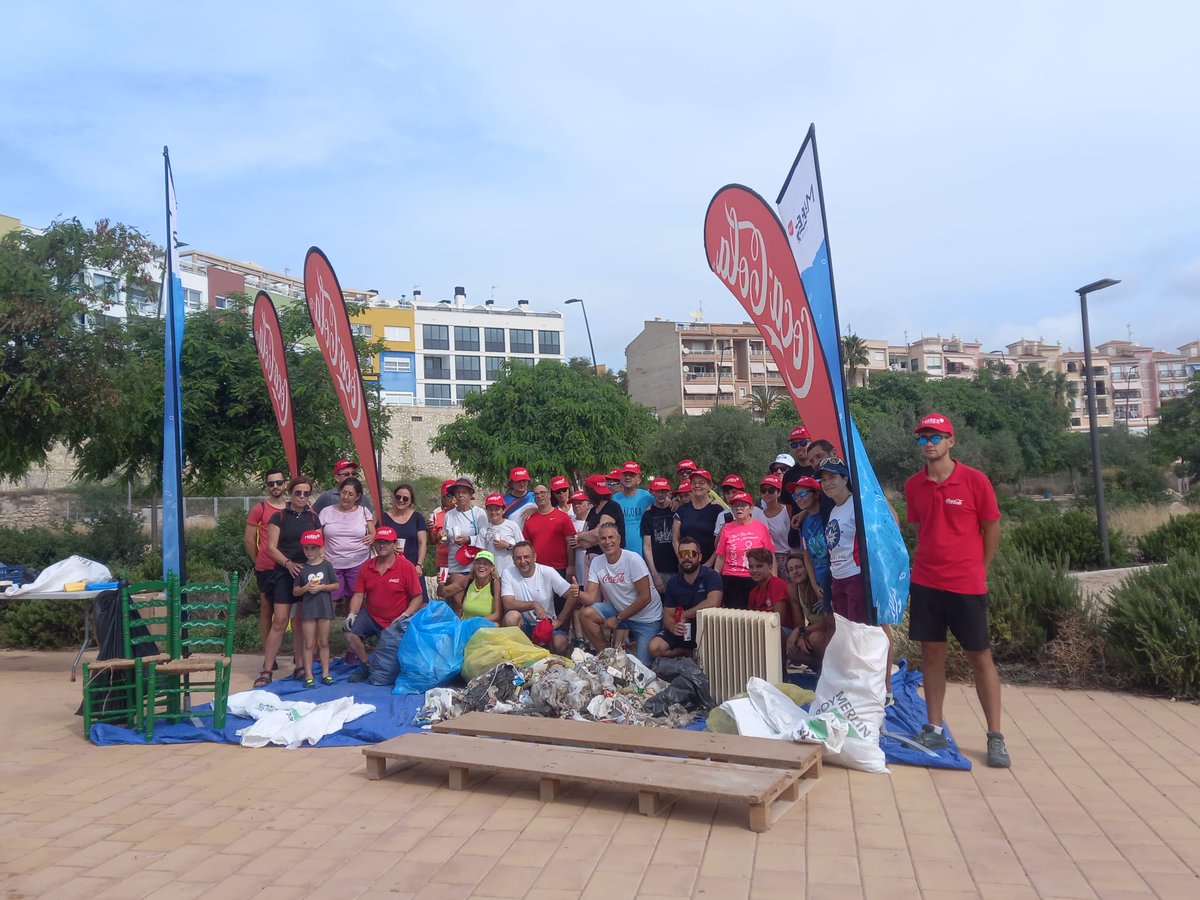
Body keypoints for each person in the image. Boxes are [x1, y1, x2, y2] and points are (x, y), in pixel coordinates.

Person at [905, 413, 1009, 767]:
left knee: (979, 657)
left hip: (966, 585)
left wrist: (979, 568)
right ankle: (934, 727)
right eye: (923, 438)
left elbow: (991, 527)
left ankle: (995, 736)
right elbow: (921, 529)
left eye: (935, 437)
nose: (929, 443)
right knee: (932, 655)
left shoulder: (975, 480)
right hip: (926, 582)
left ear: (951, 441)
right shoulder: (913, 485)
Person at [819, 456, 897, 706]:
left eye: (833, 477)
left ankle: (882, 688)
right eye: (823, 479)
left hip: (857, 577)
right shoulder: (834, 509)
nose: (827, 483)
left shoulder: (858, 504)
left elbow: (888, 523)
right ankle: (855, 685)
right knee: (847, 636)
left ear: (845, 479)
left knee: (868, 634)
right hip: (839, 578)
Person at [258, 475, 321, 686]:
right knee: (279, 620)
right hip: (284, 574)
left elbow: (319, 545)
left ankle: (300, 666)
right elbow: (271, 547)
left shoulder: (313, 518)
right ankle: (267, 669)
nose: (302, 496)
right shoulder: (279, 517)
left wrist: (319, 567)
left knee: (302, 622)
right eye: (298, 492)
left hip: (306, 574)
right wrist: (288, 564)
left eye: (306, 493)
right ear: (290, 493)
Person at [344, 527, 426, 680]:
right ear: (374, 544)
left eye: (386, 542)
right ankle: (365, 665)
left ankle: (387, 666)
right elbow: (359, 594)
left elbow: (417, 597)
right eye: (379, 542)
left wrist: (405, 615)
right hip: (371, 616)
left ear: (394, 544)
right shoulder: (367, 567)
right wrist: (352, 613)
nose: (382, 545)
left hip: (397, 620)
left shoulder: (406, 567)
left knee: (388, 670)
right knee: (349, 633)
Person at [578, 523, 663, 664]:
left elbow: (645, 598)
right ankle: (607, 657)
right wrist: (576, 593)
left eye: (611, 537)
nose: (607, 542)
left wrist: (617, 618)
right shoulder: (597, 562)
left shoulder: (633, 559)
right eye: (603, 538)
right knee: (585, 613)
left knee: (642, 668)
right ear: (598, 542)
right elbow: (590, 598)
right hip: (620, 609)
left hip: (647, 619)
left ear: (619, 539)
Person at [647, 536, 723, 659]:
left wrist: (685, 614)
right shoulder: (673, 582)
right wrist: (673, 627)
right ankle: (685, 652)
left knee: (713, 655)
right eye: (682, 554)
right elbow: (668, 615)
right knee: (654, 647)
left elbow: (714, 602)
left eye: (691, 554)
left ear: (699, 557)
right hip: (684, 630)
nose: (686, 558)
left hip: (708, 630)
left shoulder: (712, 576)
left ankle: (697, 655)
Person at [500, 541, 579, 654]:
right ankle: (517, 653)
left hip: (546, 624)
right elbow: (508, 603)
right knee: (511, 616)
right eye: (518, 558)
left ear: (534, 557)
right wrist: (534, 604)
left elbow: (572, 595)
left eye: (526, 557)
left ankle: (547, 655)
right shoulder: (507, 573)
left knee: (559, 644)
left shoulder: (547, 571)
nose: (523, 561)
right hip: (524, 625)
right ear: (513, 559)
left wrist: (560, 620)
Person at [244, 468, 288, 655]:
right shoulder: (259, 509)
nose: (275, 486)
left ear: (285, 484)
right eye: (271, 483)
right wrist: (258, 560)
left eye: (279, 482)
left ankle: (299, 654)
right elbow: (248, 540)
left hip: (290, 567)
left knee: (293, 612)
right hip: (267, 568)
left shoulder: (293, 507)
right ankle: (269, 654)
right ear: (266, 486)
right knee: (267, 610)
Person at [316, 475, 374, 614]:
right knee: (330, 598)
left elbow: (373, 532)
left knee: (355, 597)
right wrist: (321, 551)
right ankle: (325, 627)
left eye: (351, 494)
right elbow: (318, 535)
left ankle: (352, 625)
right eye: (343, 492)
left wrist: (373, 537)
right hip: (332, 562)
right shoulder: (326, 511)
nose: (346, 497)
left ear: (357, 496)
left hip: (358, 562)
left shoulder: (364, 512)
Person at [713, 490, 776, 610]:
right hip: (731, 578)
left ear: (751, 509)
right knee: (734, 616)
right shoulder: (726, 529)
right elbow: (720, 556)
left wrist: (774, 578)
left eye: (743, 505)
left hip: (755, 577)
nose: (739, 508)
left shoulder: (760, 527)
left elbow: (770, 554)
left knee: (757, 614)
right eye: (735, 506)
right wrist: (716, 578)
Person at [291, 530, 338, 688]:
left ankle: (325, 674)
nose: (310, 551)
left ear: (320, 548)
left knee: (323, 641)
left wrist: (322, 587)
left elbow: (336, 585)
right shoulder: (302, 568)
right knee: (309, 643)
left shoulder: (327, 565)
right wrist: (306, 588)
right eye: (306, 548)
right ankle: (309, 675)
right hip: (309, 609)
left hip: (324, 608)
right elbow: (295, 591)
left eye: (313, 548)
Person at [783, 551, 833, 671]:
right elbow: (798, 622)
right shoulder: (793, 590)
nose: (795, 572)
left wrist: (801, 631)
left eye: (799, 567)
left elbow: (829, 621)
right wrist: (800, 637)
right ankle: (819, 668)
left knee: (815, 638)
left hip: (828, 631)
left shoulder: (818, 587)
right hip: (812, 630)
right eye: (791, 570)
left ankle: (830, 669)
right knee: (792, 647)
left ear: (808, 568)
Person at [519, 485, 576, 584]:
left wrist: (571, 565)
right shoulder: (529, 520)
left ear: (549, 494)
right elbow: (527, 546)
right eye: (536, 494)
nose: (539, 496)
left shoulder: (563, 517)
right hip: (538, 569)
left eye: (542, 493)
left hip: (560, 568)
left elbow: (570, 543)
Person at [791, 476, 831, 611]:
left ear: (816, 494)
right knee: (828, 620)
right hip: (820, 581)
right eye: (795, 496)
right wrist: (814, 585)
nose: (798, 499)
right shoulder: (803, 522)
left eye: (802, 494)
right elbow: (807, 555)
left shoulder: (829, 514)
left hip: (836, 578)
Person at [442, 478, 489, 587]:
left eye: (464, 492)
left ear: (470, 494)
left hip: (476, 563)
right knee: (457, 595)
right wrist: (442, 537)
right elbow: (445, 541)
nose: (461, 495)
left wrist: (468, 539)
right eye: (458, 492)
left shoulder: (479, 513)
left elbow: (485, 538)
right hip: (456, 564)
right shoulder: (449, 515)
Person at [672, 469, 722, 565]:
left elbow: (721, 541)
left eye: (701, 483)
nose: (697, 485)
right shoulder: (682, 510)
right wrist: (682, 559)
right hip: (686, 565)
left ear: (709, 486)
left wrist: (708, 564)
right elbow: (675, 539)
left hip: (710, 565)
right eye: (694, 483)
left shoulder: (717, 510)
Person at [641, 477, 678, 598]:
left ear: (668, 492)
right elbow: (647, 547)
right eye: (657, 491)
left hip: (678, 566)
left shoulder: (676, 509)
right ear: (651, 492)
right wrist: (654, 574)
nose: (661, 494)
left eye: (663, 491)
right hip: (659, 569)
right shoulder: (648, 514)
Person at [438, 550, 502, 622]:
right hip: (466, 624)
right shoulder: (469, 580)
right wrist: (441, 584)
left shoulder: (495, 584)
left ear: (492, 568)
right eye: (478, 563)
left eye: (485, 563)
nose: (481, 566)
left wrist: (475, 622)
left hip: (485, 625)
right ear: (474, 566)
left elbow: (497, 615)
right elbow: (442, 593)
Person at [380, 483, 428, 577]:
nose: (401, 500)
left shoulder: (417, 517)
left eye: (405, 498)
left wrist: (419, 565)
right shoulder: (384, 518)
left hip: (413, 566)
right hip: (389, 566)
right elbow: (377, 540)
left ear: (411, 501)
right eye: (398, 497)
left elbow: (422, 543)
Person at [577, 474, 626, 559]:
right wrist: (588, 537)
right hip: (590, 558)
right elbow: (583, 543)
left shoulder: (611, 506)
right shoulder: (592, 511)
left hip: (608, 558)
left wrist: (580, 536)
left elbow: (599, 533)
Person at [611, 461, 652, 555]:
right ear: (621, 478)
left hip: (643, 553)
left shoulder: (646, 497)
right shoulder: (614, 500)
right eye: (625, 474)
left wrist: (674, 501)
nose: (628, 477)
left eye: (632, 475)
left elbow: (662, 504)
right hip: (621, 553)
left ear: (638, 480)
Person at [477, 493, 524, 574]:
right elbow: (483, 554)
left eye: (497, 509)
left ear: (503, 510)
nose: (493, 512)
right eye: (490, 509)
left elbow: (523, 549)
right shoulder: (483, 530)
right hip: (492, 573)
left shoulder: (512, 525)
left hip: (512, 572)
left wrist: (508, 546)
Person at [746, 547, 793, 623]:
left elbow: (778, 621)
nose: (754, 570)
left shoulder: (778, 584)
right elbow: (750, 620)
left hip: (781, 628)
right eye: (751, 567)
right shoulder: (753, 592)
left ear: (770, 568)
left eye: (759, 566)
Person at [758, 474, 794, 572]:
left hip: (790, 555)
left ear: (779, 492)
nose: (767, 493)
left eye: (771, 490)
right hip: (769, 559)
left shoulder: (787, 511)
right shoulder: (759, 515)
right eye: (763, 490)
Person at [714, 474, 767, 538]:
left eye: (734, 492)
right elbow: (717, 542)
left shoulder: (757, 512)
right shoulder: (722, 515)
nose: (731, 496)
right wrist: (724, 529)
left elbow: (766, 535)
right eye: (727, 493)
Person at [427, 478, 457, 576]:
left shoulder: (465, 514)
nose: (452, 498)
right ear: (443, 498)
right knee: (443, 584)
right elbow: (432, 542)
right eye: (448, 495)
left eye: (454, 494)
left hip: (461, 560)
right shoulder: (437, 516)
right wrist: (430, 531)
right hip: (443, 562)